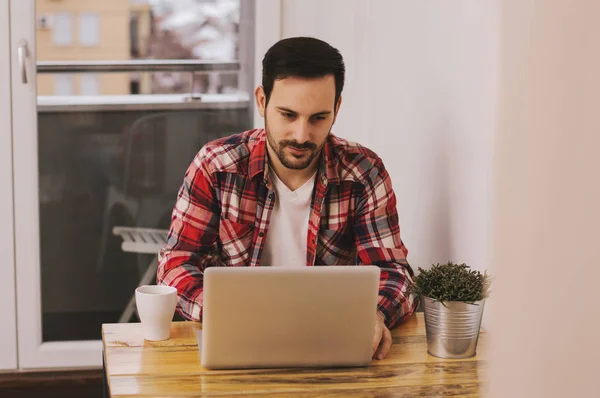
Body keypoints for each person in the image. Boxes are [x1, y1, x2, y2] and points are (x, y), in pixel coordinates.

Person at [157, 36, 417, 360]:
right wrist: (220, 313)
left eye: (318, 118)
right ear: (262, 101)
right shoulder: (216, 166)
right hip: (237, 345)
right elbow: (176, 262)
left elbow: (394, 271)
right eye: (288, 115)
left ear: (337, 108)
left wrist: (375, 314)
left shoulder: (364, 173)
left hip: (331, 348)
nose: (301, 135)